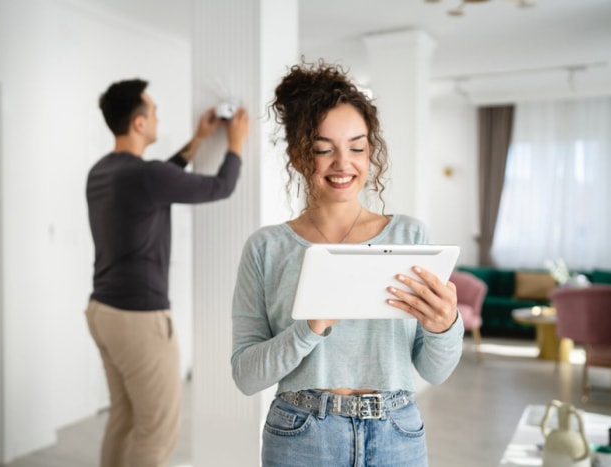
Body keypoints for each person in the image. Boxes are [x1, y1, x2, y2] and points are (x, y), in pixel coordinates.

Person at [230, 60, 463, 466]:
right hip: (300, 435)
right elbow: (246, 375)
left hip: (397, 434)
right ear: (299, 156)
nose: (343, 163)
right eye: (323, 149)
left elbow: (434, 370)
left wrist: (445, 326)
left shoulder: (410, 237)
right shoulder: (266, 247)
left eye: (357, 147)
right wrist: (310, 328)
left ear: (370, 152)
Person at [85, 78, 249, 467]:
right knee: (157, 432)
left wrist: (197, 140)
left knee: (123, 419)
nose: (158, 118)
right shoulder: (146, 176)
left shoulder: (104, 172)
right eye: (154, 112)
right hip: (139, 319)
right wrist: (236, 144)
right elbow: (221, 187)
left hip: (102, 312)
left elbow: (161, 177)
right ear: (139, 123)